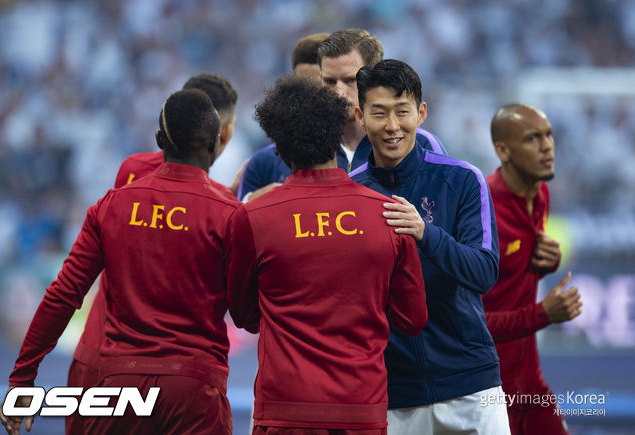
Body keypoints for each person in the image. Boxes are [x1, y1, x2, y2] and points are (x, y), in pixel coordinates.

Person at [0, 89, 239, 435]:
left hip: (116, 388)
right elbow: (248, 313)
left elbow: (64, 294)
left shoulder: (111, 205)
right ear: (216, 144)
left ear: (160, 140)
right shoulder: (230, 214)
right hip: (194, 391)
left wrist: (23, 375)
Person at [227, 74, 428, 434]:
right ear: (339, 136)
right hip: (361, 408)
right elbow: (412, 318)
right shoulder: (390, 214)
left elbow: (244, 315)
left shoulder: (253, 217)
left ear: (279, 148)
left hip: (284, 410)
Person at [351, 59, 509, 434]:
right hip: (393, 394)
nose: (392, 126)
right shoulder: (348, 193)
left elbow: (485, 271)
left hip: (472, 385)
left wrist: (426, 233)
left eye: (402, 112)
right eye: (379, 113)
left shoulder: (463, 178)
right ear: (360, 117)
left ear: (421, 113)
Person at [237, 28, 447, 202]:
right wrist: (251, 202)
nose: (338, 92)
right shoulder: (279, 156)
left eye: (350, 80)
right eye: (329, 82)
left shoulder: (421, 145)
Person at [482, 103, 582, 435]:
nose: (547, 145)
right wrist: (543, 315)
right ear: (503, 151)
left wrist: (547, 261)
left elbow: (515, 273)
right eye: (532, 138)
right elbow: (468, 322)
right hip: (487, 391)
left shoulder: (540, 194)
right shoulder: (482, 211)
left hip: (529, 382)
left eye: (549, 135)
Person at [236, 32, 329, 202]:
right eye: (303, 86)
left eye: (321, 86)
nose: (311, 97)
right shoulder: (263, 163)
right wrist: (251, 201)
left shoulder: (372, 157)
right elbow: (238, 223)